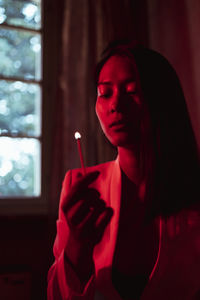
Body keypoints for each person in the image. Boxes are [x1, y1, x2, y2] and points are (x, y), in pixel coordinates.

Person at [47, 41, 200, 300]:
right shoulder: (82, 187)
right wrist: (76, 246)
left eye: (131, 91)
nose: (115, 104)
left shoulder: (193, 189)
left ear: (163, 100)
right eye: (105, 93)